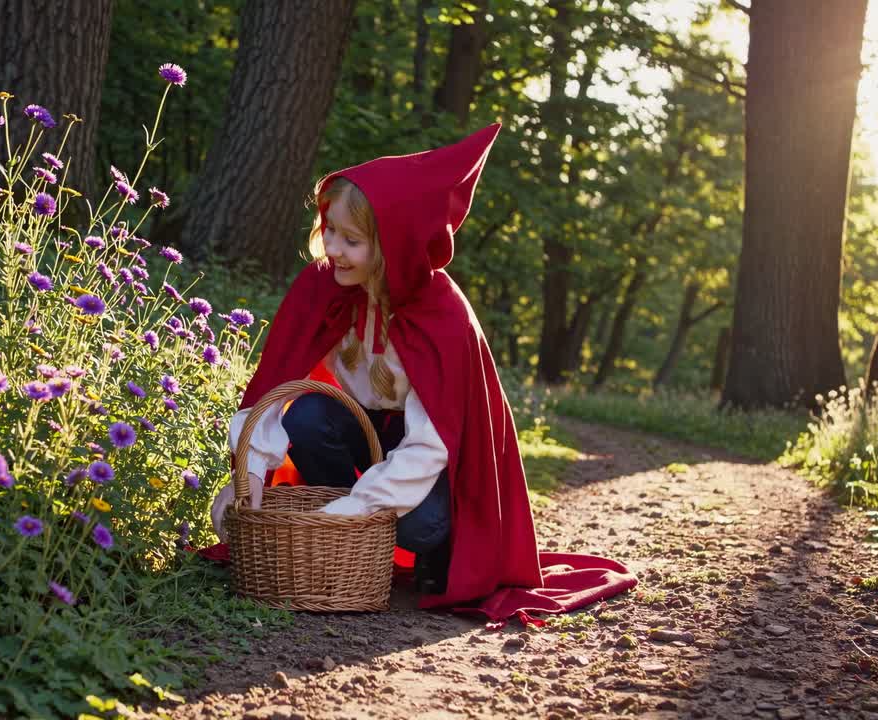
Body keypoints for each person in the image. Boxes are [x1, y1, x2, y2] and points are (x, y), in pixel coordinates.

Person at [209, 124, 637, 624]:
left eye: (352, 240)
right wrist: (249, 474)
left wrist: (362, 507)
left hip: (432, 449)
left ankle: (424, 545)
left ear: (393, 244)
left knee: (421, 527)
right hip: (358, 423)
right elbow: (275, 383)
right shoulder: (322, 286)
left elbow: (431, 443)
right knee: (306, 416)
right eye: (329, 231)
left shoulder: (440, 313)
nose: (334, 249)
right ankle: (341, 541)